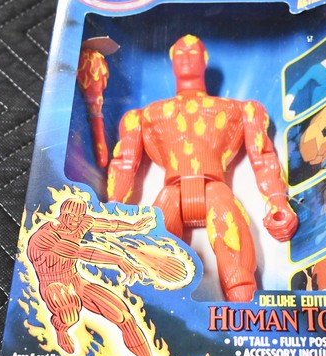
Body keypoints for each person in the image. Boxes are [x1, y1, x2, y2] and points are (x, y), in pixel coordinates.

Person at [107, 35, 298, 302]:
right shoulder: (146, 116)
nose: (186, 58)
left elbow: (263, 156)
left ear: (204, 60)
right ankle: (155, 314)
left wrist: (278, 202)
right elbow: (124, 164)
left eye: (193, 53)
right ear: (172, 61)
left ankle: (245, 311)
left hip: (215, 190)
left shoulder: (238, 110)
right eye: (180, 54)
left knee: (238, 267)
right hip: (171, 194)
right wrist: (112, 211)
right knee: (150, 264)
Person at [26, 195, 171, 356]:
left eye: (79, 217)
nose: (74, 221)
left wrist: (133, 226)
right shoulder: (44, 237)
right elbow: (81, 252)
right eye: (70, 216)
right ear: (62, 213)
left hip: (75, 280)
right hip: (53, 284)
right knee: (70, 312)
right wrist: (119, 260)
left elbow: (109, 225)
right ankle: (61, 329)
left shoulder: (80, 223)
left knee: (125, 317)